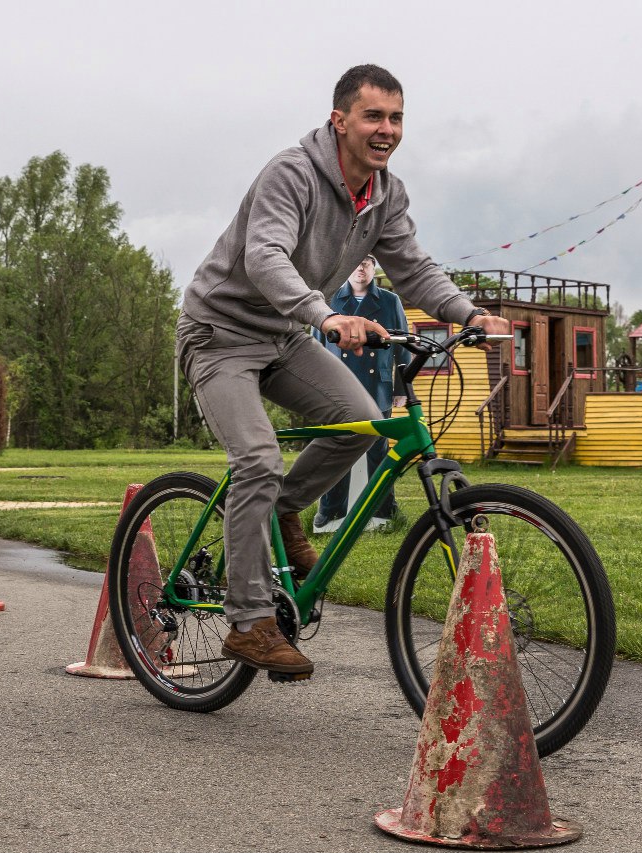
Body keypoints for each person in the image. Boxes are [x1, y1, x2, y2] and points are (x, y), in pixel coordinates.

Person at [176, 64, 511, 679]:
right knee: (257, 460)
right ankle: (249, 622)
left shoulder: (386, 194)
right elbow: (265, 256)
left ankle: (282, 510)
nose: (387, 130)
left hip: (283, 335)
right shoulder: (291, 174)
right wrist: (326, 316)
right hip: (219, 334)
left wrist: (469, 313)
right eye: (373, 116)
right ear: (339, 121)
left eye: (397, 118)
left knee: (362, 422)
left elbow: (413, 269)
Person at [311, 255, 412, 533]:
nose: (360, 267)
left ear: (374, 266)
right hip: (337, 385)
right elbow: (314, 347)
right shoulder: (328, 298)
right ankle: (330, 510)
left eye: (366, 262)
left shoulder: (390, 301)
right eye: (356, 261)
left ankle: (384, 510)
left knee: (379, 452)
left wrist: (402, 388)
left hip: (377, 385)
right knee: (336, 449)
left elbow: (402, 346)